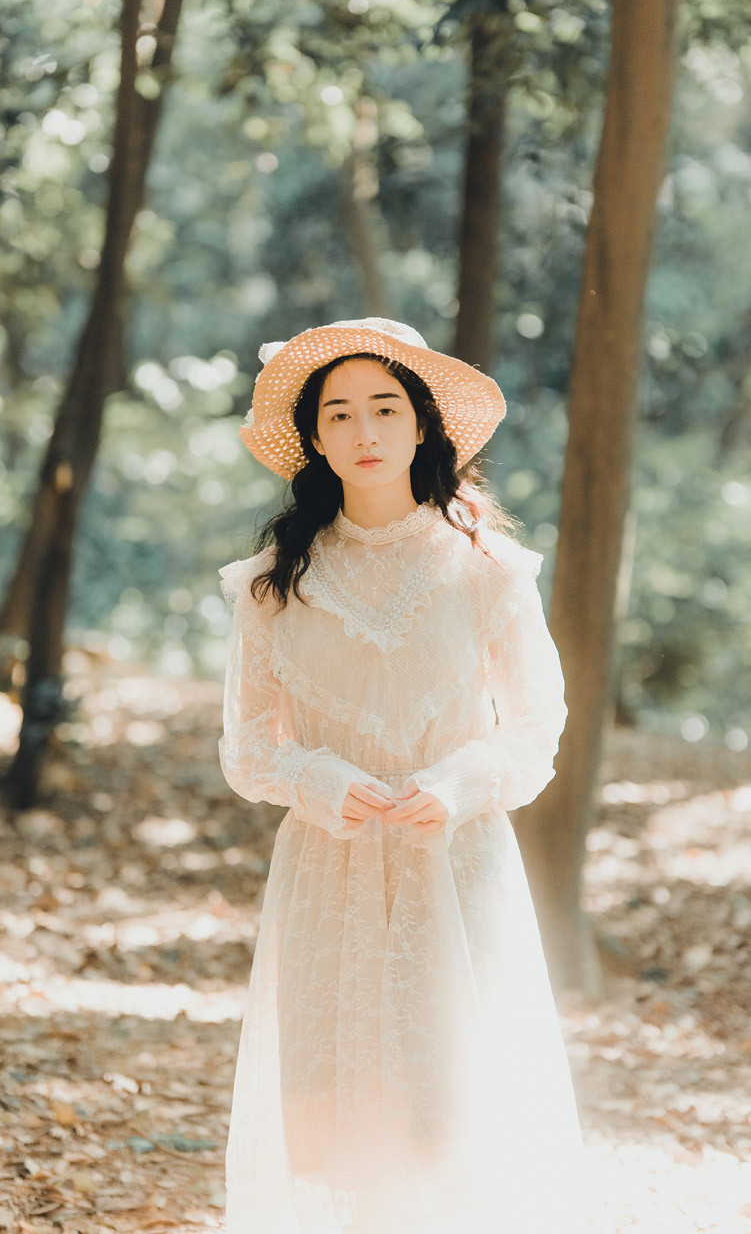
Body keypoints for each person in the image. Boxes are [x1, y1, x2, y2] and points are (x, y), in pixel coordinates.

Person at [218, 318, 587, 1234]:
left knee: (449, 1117)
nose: (364, 430)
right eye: (338, 414)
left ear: (423, 426)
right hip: (325, 873)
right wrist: (320, 779)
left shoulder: (487, 570)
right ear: (313, 438)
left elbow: (536, 724)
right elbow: (247, 746)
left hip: (454, 866)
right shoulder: (274, 583)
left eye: (385, 407)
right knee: (335, 1125)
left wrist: (460, 783)